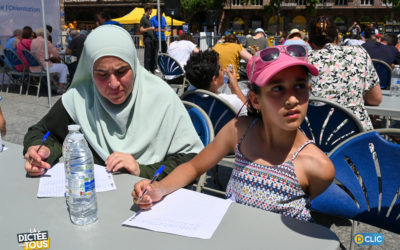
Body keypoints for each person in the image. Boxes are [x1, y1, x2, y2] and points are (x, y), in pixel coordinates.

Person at [132, 45, 335, 222]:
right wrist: (160, 188)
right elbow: (195, 166)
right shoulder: (239, 131)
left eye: (299, 86)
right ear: (256, 100)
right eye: (277, 88)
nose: (292, 99)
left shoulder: (318, 166)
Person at [23, 25, 203, 179]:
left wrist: (142, 170)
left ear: (133, 65)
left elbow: (192, 159)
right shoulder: (80, 97)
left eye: (122, 71)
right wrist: (42, 151)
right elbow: (43, 132)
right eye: (101, 75)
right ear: (90, 71)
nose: (114, 84)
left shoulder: (162, 97)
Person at [308, 16, 382, 131]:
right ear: (337, 39)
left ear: (311, 44)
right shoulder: (359, 53)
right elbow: (375, 99)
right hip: (356, 136)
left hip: (315, 138)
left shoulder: (304, 59)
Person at [184, 50, 247, 116]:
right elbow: (249, 112)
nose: (224, 71)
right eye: (221, 70)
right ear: (214, 80)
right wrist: (235, 87)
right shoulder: (229, 101)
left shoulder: (188, 94)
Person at [30, 28, 69, 93]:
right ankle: (61, 87)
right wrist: (55, 50)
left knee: (58, 67)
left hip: (33, 67)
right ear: (44, 34)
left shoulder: (33, 41)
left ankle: (56, 84)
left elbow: (39, 53)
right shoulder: (45, 42)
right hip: (43, 67)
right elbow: (56, 54)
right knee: (64, 67)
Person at [140, 5, 157, 73]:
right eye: (151, 10)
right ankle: (146, 70)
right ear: (148, 10)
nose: (152, 11)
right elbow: (141, 30)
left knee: (152, 55)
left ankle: (151, 69)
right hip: (147, 39)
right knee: (147, 56)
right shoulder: (143, 18)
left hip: (151, 39)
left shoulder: (148, 19)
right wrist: (150, 28)